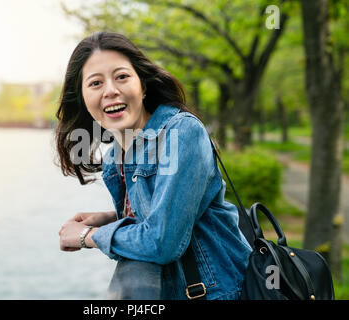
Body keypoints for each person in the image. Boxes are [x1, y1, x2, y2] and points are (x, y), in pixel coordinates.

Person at [56, 31, 252, 300]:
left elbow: (163, 242)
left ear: (143, 85)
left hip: (223, 293)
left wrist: (88, 236)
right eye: (95, 83)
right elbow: (163, 212)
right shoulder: (117, 154)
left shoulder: (182, 132)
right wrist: (110, 217)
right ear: (82, 98)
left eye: (122, 77)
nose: (110, 90)